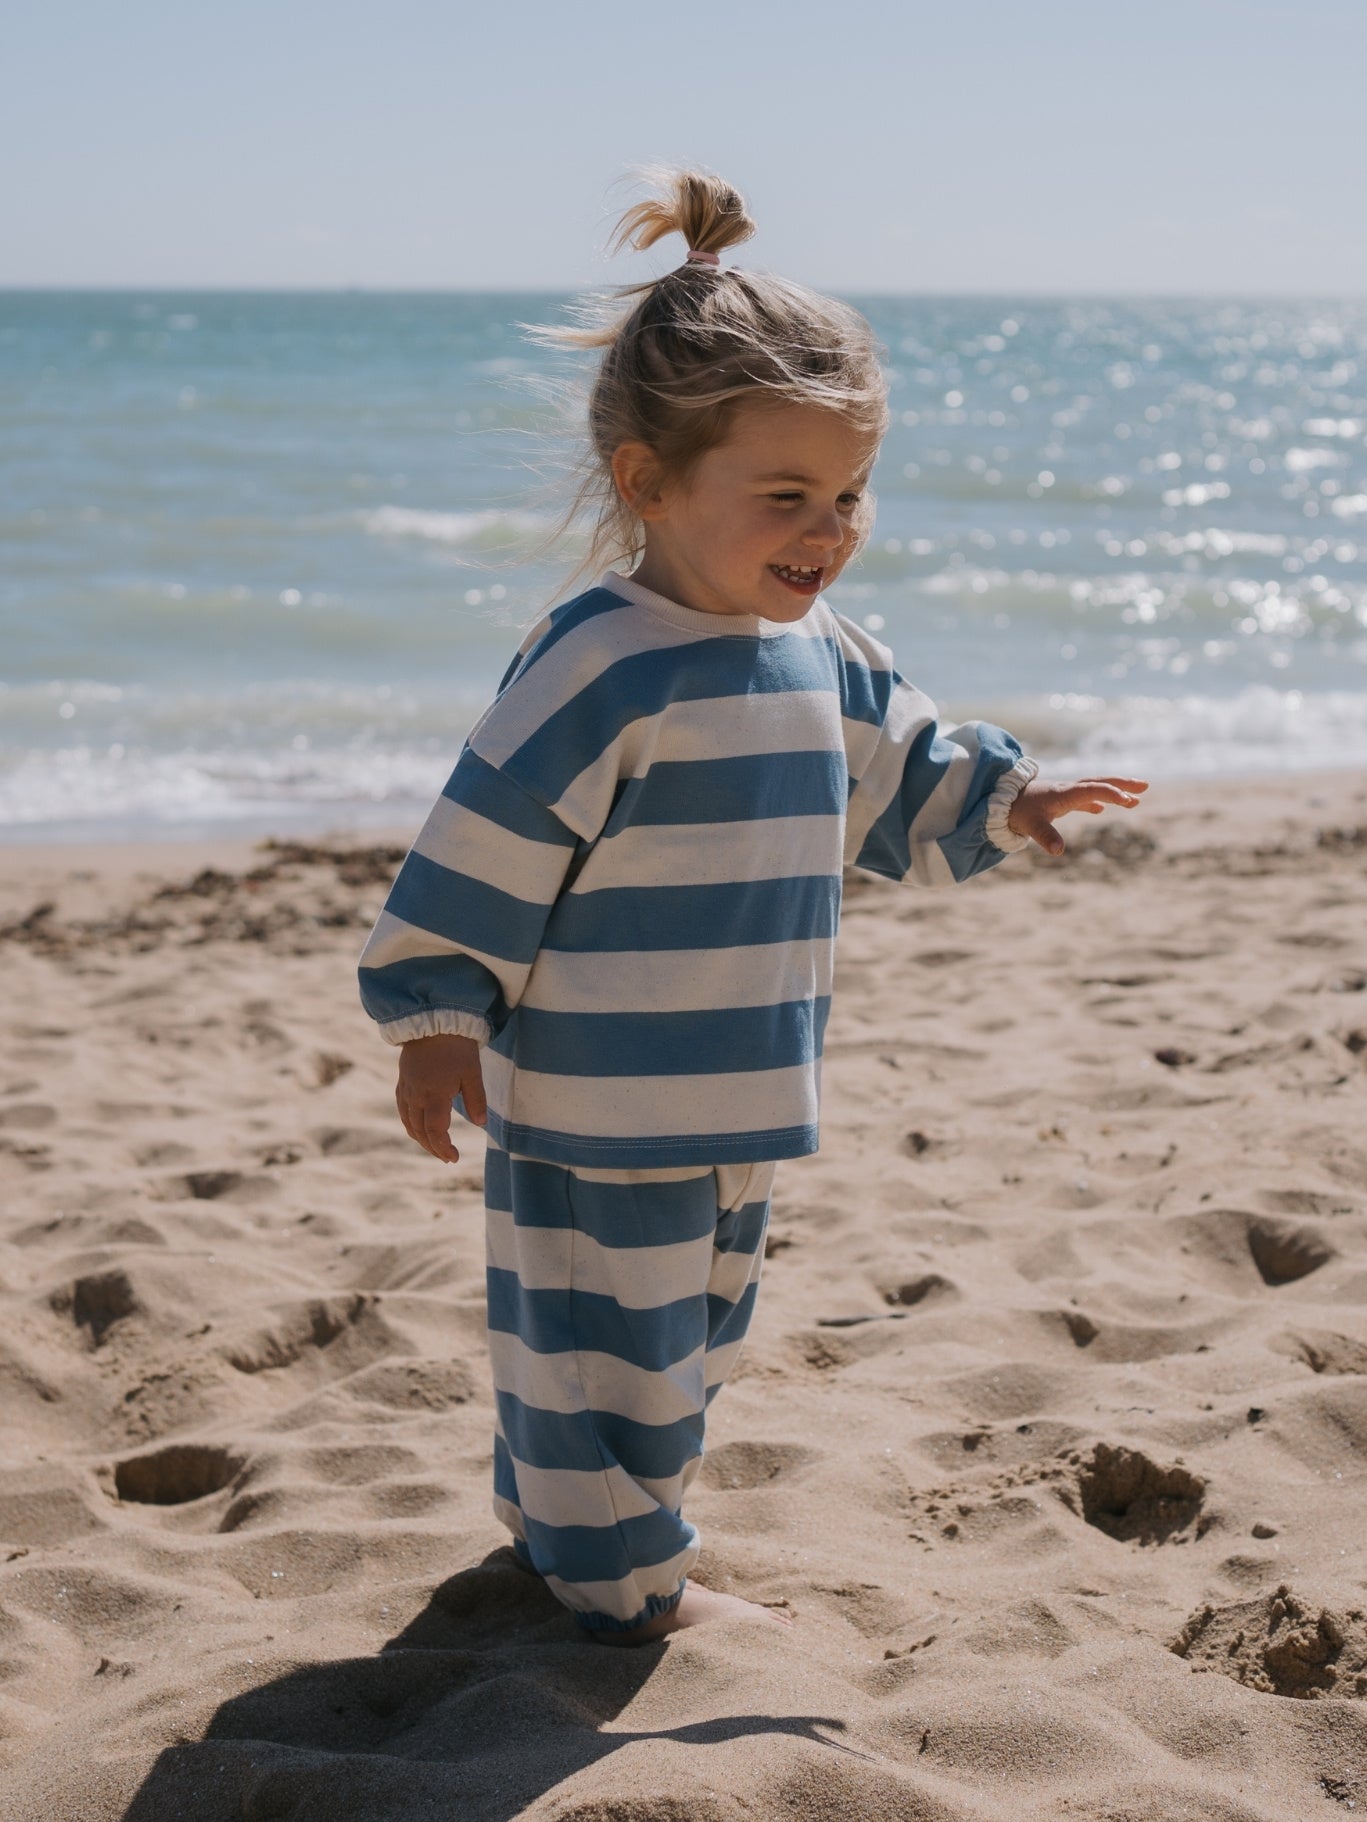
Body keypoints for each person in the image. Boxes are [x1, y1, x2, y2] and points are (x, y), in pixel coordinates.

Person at [357, 169, 1147, 1645]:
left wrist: (1004, 797)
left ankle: (569, 1538)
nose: (827, 528)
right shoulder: (602, 661)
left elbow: (898, 767)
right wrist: (439, 1010)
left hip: (741, 1093)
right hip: (598, 1104)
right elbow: (490, 832)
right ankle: (622, 1586)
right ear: (647, 482)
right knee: (603, 1356)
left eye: (848, 494)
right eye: (785, 496)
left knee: (686, 1347)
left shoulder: (819, 649)